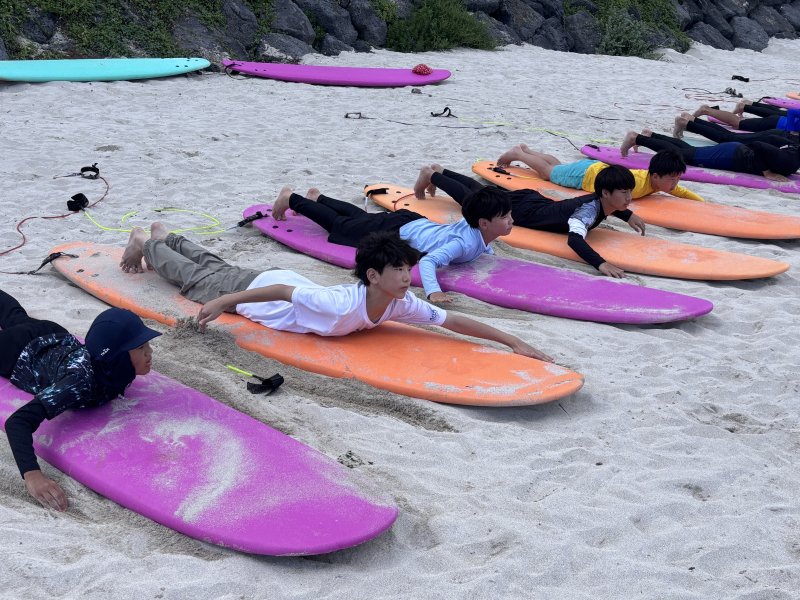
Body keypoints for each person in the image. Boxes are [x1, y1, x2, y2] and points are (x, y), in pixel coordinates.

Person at [119, 223, 553, 362]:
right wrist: (224, 303)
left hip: (272, 277)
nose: (407, 277)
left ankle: (166, 237)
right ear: (372, 275)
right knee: (198, 282)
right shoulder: (338, 303)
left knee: (215, 267)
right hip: (258, 289)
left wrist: (513, 341)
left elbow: (452, 321)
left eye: (408, 269)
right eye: (399, 270)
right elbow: (284, 291)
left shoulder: (398, 304)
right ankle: (149, 243)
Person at [1, 290, 161, 511]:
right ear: (117, 358)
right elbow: (17, 422)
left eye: (147, 345)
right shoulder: (79, 383)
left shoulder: (115, 368)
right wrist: (33, 476)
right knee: (15, 320)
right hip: (18, 350)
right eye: (141, 348)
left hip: (54, 335)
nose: (149, 353)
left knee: (16, 317)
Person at [270, 186, 513, 303]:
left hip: (412, 221)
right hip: (396, 231)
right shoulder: (463, 244)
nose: (511, 221)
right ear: (483, 223)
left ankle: (319, 199)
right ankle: (292, 199)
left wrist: (487, 250)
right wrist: (434, 290)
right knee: (339, 227)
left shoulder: (477, 233)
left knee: (362, 220)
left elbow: (478, 243)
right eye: (505, 218)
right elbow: (428, 261)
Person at [413, 163, 642, 279]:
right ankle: (431, 175)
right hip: (527, 211)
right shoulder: (586, 213)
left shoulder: (601, 201)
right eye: (624, 193)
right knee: (473, 199)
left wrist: (628, 214)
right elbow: (574, 240)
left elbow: (604, 204)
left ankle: (441, 170)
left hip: (536, 202)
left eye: (629, 192)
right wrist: (601, 263)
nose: (628, 198)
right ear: (605, 193)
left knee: (482, 191)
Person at [493, 143, 704, 202]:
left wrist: (701, 202)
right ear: (656, 176)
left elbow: (681, 192)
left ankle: (528, 151)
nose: (675, 184)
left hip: (593, 169)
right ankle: (518, 154)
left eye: (678, 178)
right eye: (672, 179)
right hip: (587, 176)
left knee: (558, 165)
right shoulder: (638, 184)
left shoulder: (658, 181)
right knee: (549, 173)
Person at [620, 129, 800, 182]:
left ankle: (652, 136)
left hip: (735, 153)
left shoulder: (793, 155)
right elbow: (758, 145)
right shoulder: (789, 160)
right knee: (684, 155)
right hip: (731, 155)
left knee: (691, 151)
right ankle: (637, 138)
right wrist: (767, 172)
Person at [673, 111, 798, 146]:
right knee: (729, 136)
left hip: (780, 134)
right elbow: (792, 112)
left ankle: (691, 120)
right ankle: (686, 123)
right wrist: (792, 131)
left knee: (729, 135)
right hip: (780, 135)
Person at [692, 102, 793, 133]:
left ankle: (707, 110)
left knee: (738, 122)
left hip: (780, 122)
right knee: (738, 123)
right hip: (778, 124)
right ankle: (706, 110)